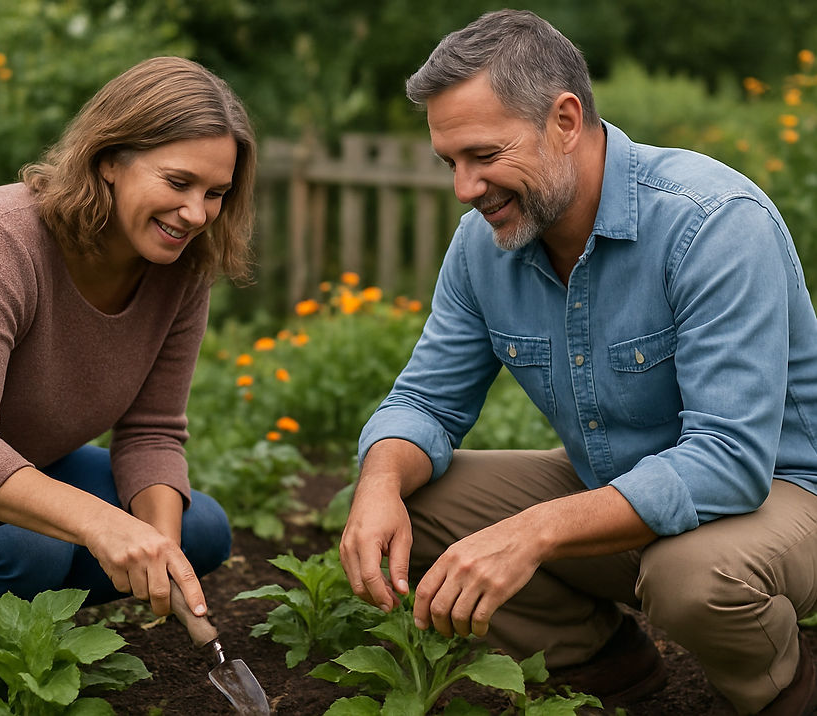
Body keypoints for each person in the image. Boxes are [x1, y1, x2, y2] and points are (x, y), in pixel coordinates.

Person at [339, 9, 817, 716]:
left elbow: (728, 462)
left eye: (484, 155)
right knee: (417, 496)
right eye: (450, 163)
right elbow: (426, 403)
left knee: (693, 575)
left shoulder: (711, 221)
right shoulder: (482, 246)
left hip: (782, 496)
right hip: (620, 492)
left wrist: (532, 532)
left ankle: (782, 686)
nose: (464, 188)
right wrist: (378, 483)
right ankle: (604, 665)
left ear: (564, 120)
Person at [0, 56, 256, 697]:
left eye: (216, 193)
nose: (197, 214)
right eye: (178, 182)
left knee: (198, 533)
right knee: (29, 549)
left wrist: (159, 550)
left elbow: (151, 431)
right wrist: (102, 525)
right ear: (109, 160)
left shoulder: (181, 269)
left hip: (22, 458)